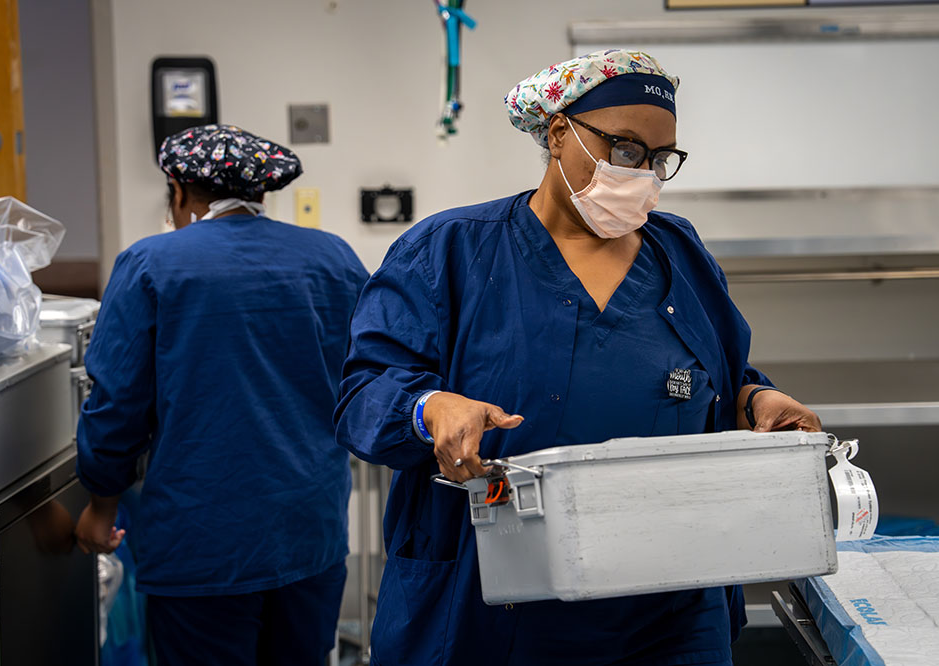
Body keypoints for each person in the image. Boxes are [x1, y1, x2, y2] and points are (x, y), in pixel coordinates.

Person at [335, 49, 821, 665]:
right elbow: (365, 395)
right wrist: (431, 408)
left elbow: (719, 374)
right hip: (495, 607)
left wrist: (755, 400)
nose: (642, 173)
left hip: (669, 610)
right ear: (560, 133)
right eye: (624, 149)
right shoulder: (451, 251)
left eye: (660, 158)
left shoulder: (680, 251)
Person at [74, 125, 369, 666]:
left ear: (178, 190)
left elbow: (117, 403)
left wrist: (101, 504)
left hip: (203, 542)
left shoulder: (151, 265)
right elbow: (368, 380)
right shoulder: (334, 258)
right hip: (310, 533)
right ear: (263, 190)